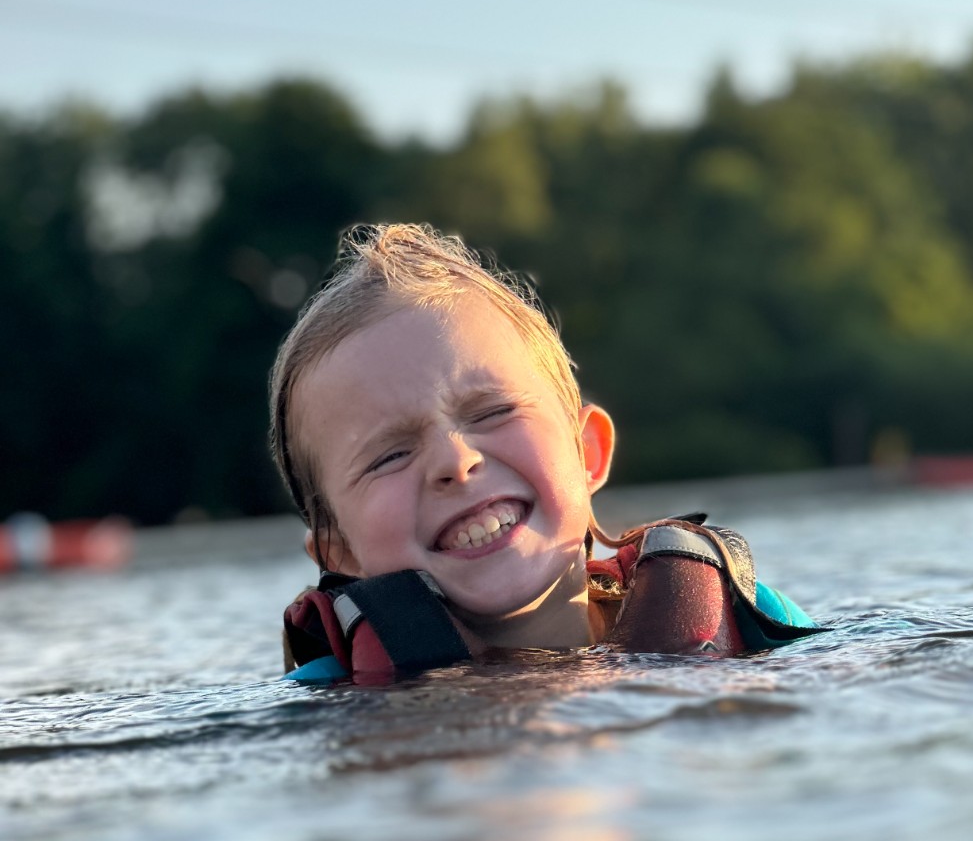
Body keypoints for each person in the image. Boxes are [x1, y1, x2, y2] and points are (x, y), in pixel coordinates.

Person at [269, 223, 815, 682]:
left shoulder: (749, 621)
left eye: (490, 413)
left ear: (588, 454)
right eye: (389, 456)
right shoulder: (328, 710)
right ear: (339, 553)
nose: (456, 463)